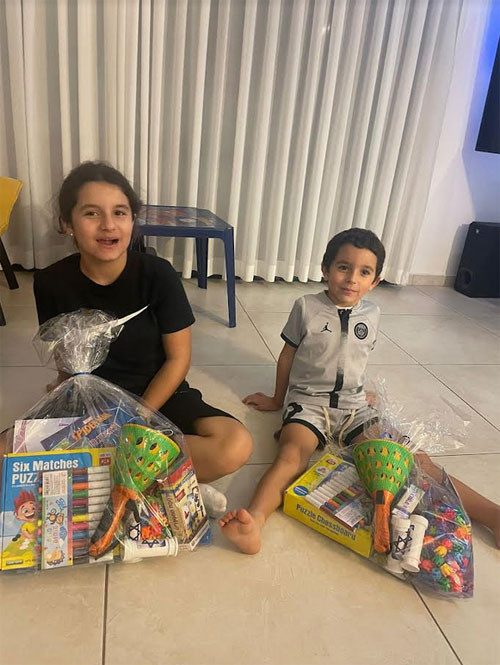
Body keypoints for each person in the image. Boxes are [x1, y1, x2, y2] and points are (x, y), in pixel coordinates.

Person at [219, 228, 500, 553]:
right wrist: (277, 399)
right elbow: (287, 356)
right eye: (343, 267)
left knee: (409, 458)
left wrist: (362, 391)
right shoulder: (306, 307)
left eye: (364, 272)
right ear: (325, 269)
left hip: (355, 407)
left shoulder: (372, 314)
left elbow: (353, 356)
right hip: (308, 404)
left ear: (375, 281)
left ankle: (492, 515)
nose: (352, 278)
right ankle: (254, 521)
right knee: (292, 456)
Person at [32, 161, 252, 508]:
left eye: (120, 212)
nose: (108, 225)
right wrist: (62, 392)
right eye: (91, 213)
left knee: (234, 445)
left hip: (157, 395)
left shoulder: (158, 275)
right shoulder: (49, 282)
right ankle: (161, 481)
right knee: (5, 454)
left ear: (132, 221)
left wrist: (139, 419)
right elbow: (65, 358)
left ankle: (110, 474)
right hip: (90, 402)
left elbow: (178, 359)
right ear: (67, 223)